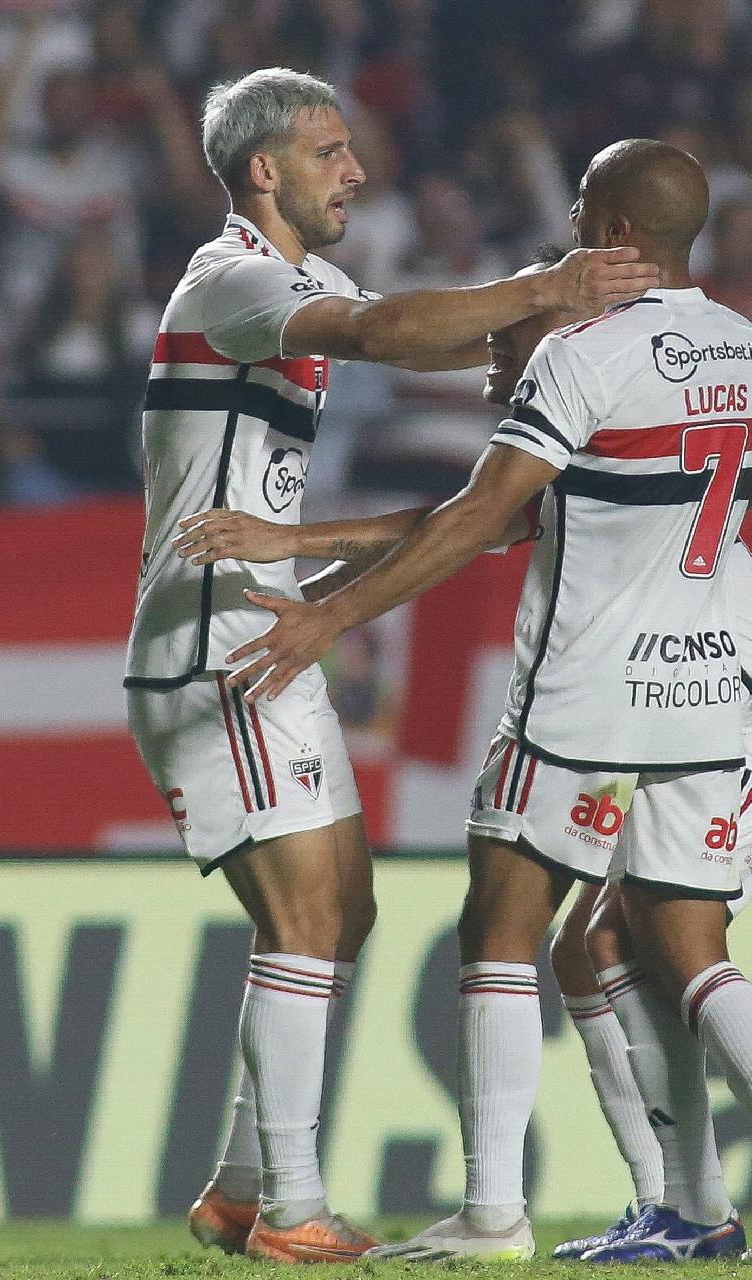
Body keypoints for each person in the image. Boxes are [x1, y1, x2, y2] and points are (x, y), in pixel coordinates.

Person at [219, 139, 752, 1263]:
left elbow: (480, 515)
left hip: (584, 695)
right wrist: (663, 511)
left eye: (579, 212)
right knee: (633, 944)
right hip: (700, 692)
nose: (566, 232)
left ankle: (492, 1212)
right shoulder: (745, 347)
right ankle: (730, 1192)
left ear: (614, 234)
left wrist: (329, 615)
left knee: (500, 933)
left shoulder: (583, 357)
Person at [123, 67, 657, 1264]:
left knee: (343, 906)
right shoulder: (236, 281)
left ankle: (241, 1184)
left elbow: (402, 330)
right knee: (311, 913)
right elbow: (382, 335)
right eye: (327, 152)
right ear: (263, 171)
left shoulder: (303, 281)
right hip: (221, 637)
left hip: (259, 620)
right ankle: (293, 1211)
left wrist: (534, 325)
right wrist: (548, 286)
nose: (355, 171)